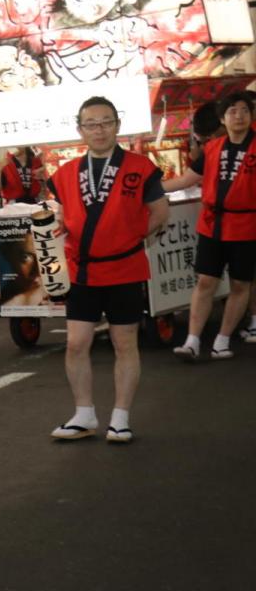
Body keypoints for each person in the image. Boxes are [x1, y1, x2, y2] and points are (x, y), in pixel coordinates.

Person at [47, 96, 167, 444]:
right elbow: (59, 214)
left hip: (125, 268)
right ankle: (84, 414)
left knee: (124, 342)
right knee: (75, 344)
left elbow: (160, 213)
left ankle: (120, 418)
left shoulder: (141, 167)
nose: (99, 130)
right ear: (80, 129)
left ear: (117, 125)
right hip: (82, 271)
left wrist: (132, 239)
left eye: (105, 122)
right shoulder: (65, 173)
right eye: (91, 124)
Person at [163, 92, 256, 360]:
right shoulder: (212, 148)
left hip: (246, 225)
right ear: (222, 119)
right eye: (232, 111)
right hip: (212, 224)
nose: (239, 116)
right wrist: (150, 189)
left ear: (251, 116)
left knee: (241, 284)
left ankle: (222, 340)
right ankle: (192, 341)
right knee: (205, 281)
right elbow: (185, 180)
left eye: (244, 111)